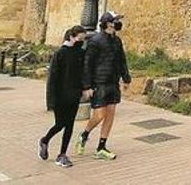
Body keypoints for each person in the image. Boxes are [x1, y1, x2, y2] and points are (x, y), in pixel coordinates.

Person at [76, 11, 130, 160]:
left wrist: (126, 79)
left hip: (113, 82)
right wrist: (87, 86)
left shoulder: (117, 41)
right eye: (116, 20)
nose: (118, 23)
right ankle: (84, 134)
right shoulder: (95, 41)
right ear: (107, 23)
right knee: (100, 115)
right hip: (99, 83)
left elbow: (122, 61)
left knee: (110, 114)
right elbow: (88, 64)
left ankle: (101, 146)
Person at [39, 25, 87, 168]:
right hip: (61, 96)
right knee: (60, 124)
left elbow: (83, 72)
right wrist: (51, 101)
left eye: (83, 39)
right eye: (80, 39)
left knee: (70, 125)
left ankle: (62, 154)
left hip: (74, 94)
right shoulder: (60, 53)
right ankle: (45, 140)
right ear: (71, 37)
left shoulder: (80, 53)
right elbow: (52, 79)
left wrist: (84, 88)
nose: (81, 42)